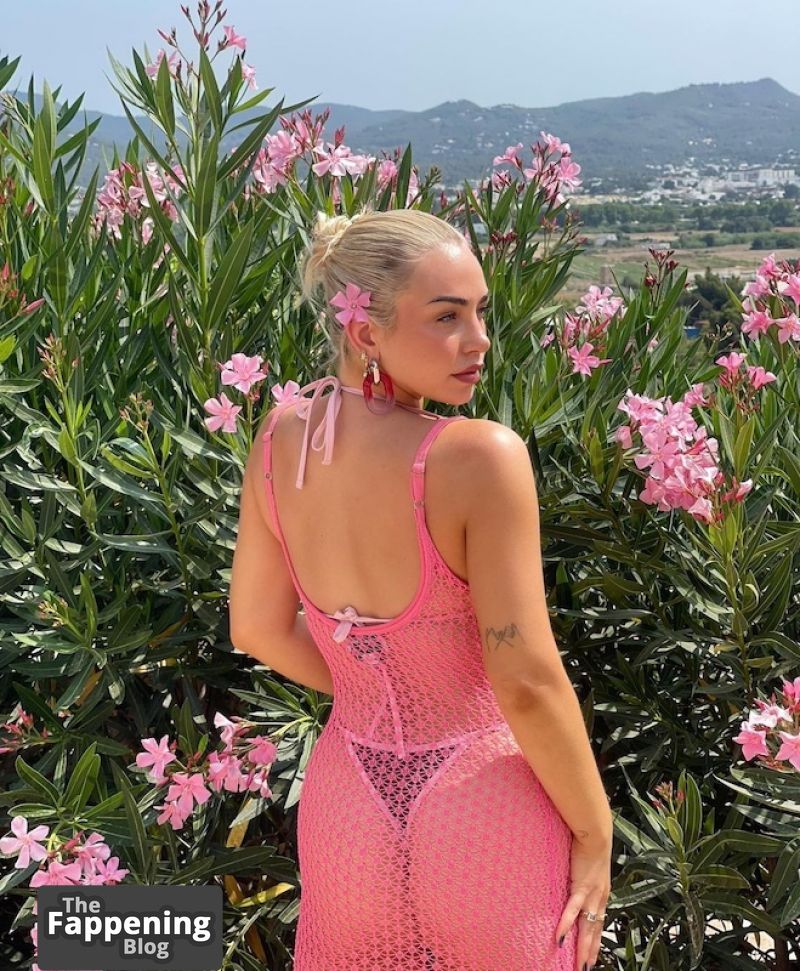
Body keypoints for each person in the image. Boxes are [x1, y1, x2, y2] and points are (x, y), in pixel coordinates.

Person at [229, 207, 612, 970]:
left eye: (480, 312)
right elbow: (526, 681)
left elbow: (257, 628)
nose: (478, 339)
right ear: (365, 331)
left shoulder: (279, 440)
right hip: (483, 807)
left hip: (347, 813)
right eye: (446, 316)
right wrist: (597, 831)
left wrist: (375, 689)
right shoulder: (478, 457)